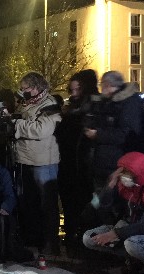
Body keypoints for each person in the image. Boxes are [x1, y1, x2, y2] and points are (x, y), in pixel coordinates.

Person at [82, 152, 144, 274]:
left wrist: (115, 234)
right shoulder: (122, 185)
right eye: (122, 173)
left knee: (132, 245)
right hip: (125, 227)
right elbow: (95, 205)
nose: (123, 177)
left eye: (127, 173)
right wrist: (109, 186)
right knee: (88, 238)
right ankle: (132, 260)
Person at [13, 72, 61, 255]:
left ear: (36, 87)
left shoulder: (49, 105)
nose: (23, 92)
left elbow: (41, 130)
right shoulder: (27, 104)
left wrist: (17, 124)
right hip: (24, 159)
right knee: (29, 202)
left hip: (44, 162)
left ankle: (50, 242)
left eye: (26, 89)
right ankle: (33, 239)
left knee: (47, 204)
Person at [55, 70, 98, 249]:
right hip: (67, 162)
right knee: (69, 200)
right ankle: (71, 233)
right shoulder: (70, 108)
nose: (73, 94)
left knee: (85, 201)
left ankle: (86, 236)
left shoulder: (95, 106)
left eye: (77, 90)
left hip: (86, 164)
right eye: (71, 90)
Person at [85, 71, 142, 191]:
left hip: (116, 164)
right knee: (100, 201)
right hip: (102, 163)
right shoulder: (107, 102)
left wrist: (97, 134)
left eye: (102, 84)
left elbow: (125, 135)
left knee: (110, 202)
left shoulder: (128, 103)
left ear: (108, 85)